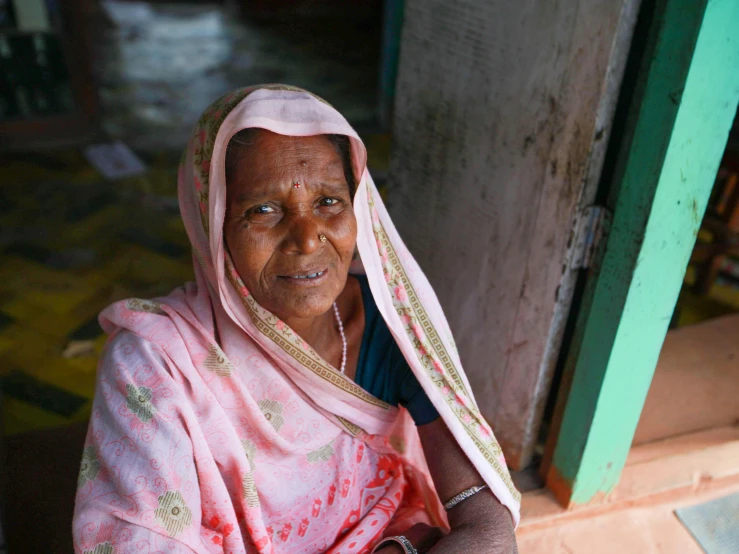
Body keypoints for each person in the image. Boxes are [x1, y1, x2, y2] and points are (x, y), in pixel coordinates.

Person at [72, 85, 520, 554]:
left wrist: (474, 534)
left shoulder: (391, 321)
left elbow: (483, 515)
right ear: (214, 224)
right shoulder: (156, 360)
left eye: (329, 202)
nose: (307, 240)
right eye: (263, 210)